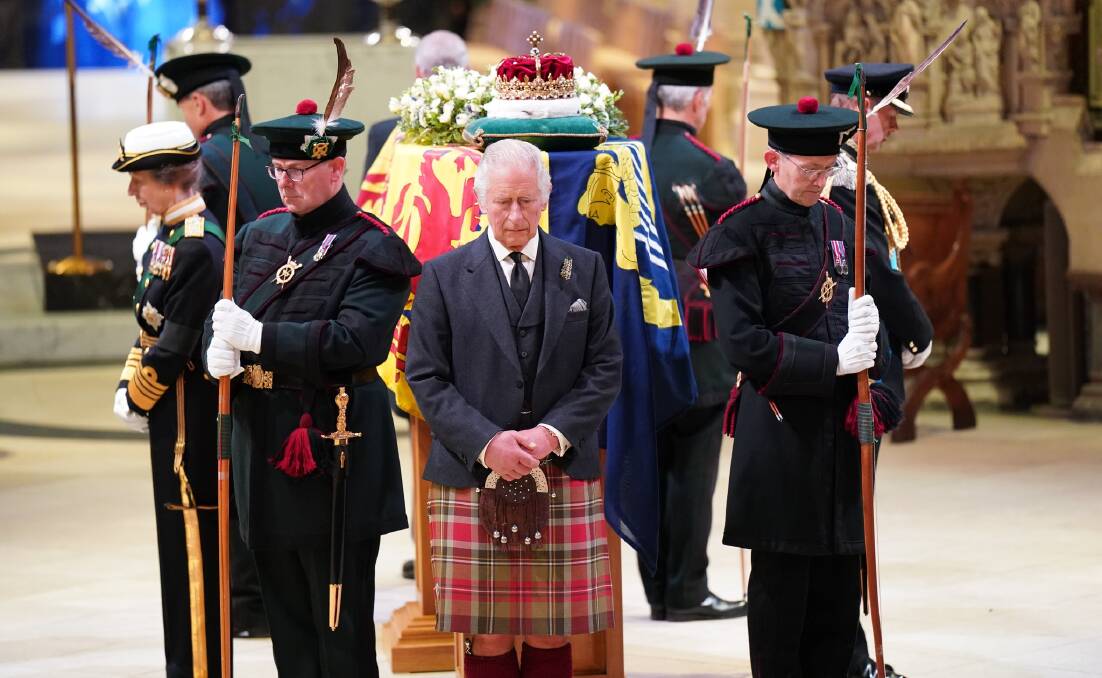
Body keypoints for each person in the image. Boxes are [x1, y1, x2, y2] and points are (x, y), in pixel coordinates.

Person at [688, 97, 922, 675]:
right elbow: (743, 343)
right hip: (780, 436)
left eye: (827, 170)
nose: (820, 182)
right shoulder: (739, 234)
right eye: (808, 170)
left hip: (842, 440)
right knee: (782, 601)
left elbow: (878, 326)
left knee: (841, 597)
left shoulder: (842, 224)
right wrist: (832, 361)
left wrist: (881, 384)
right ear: (773, 159)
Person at [203, 98, 420, 678]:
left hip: (332, 454)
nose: (285, 183)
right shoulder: (258, 234)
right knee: (288, 626)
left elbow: (355, 341)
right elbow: (224, 309)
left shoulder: (374, 247)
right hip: (263, 447)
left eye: (298, 172)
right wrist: (216, 348)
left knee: (338, 628)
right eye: (278, 171)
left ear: (336, 168)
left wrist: (260, 337)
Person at [405, 139, 623, 678]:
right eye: (503, 202)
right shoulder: (443, 275)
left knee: (552, 626)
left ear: (546, 199)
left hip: (562, 466)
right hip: (472, 470)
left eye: (527, 200)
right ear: (480, 200)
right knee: (490, 630)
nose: (516, 215)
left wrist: (552, 434)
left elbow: (606, 368)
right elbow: (426, 377)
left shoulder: (586, 269)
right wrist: (487, 443)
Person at [155, 51, 283, 636]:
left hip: (227, 327)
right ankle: (260, 595)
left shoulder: (206, 156)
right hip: (277, 323)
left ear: (200, 105)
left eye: (182, 106)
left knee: (225, 463)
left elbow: (199, 249)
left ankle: (246, 599)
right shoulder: (261, 146)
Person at [824, 62, 935, 678]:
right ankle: (847, 658)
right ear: (858, 106)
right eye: (889, 111)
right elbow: (875, 267)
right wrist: (918, 331)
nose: (892, 126)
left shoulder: (844, 172)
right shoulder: (841, 180)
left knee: (849, 517)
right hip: (852, 364)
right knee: (848, 520)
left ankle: (846, 651)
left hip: (857, 356)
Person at [634, 43, 748, 622]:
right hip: (699, 343)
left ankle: (657, 586)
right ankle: (686, 590)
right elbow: (740, 260)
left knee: (651, 467)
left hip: (638, 340)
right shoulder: (714, 170)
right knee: (693, 471)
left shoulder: (624, 161)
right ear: (701, 100)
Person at [111, 120, 225, 678]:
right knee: (176, 562)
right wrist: (128, 381)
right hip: (171, 420)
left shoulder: (198, 246)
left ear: (169, 179)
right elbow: (150, 329)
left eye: (138, 181)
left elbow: (176, 343)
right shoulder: (169, 236)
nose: (133, 192)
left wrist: (137, 396)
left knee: (192, 561)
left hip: (189, 427)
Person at [155, 52, 282, 231]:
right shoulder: (272, 146)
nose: (185, 120)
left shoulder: (199, 160)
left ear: (199, 104)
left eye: (184, 110)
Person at [361, 29, 468, 176]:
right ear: (467, 70)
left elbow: (371, 195)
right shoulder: (481, 135)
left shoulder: (383, 135)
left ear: (418, 72)